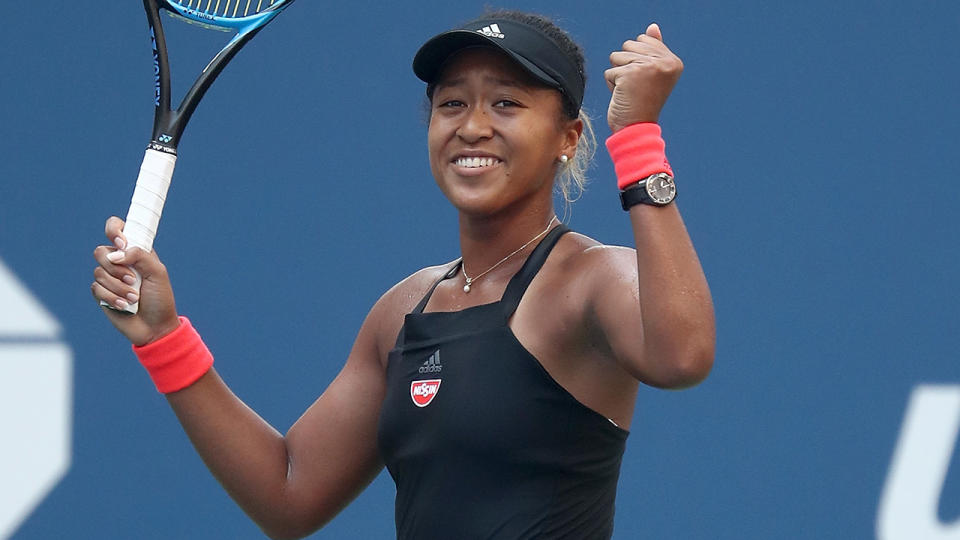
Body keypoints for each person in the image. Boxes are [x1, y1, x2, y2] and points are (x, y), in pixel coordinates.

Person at [91, 10, 714, 540]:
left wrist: (636, 139)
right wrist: (163, 336)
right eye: (451, 103)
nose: (472, 125)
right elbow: (289, 493)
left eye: (506, 102)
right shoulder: (404, 311)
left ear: (568, 137)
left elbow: (682, 356)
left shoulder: (594, 280)